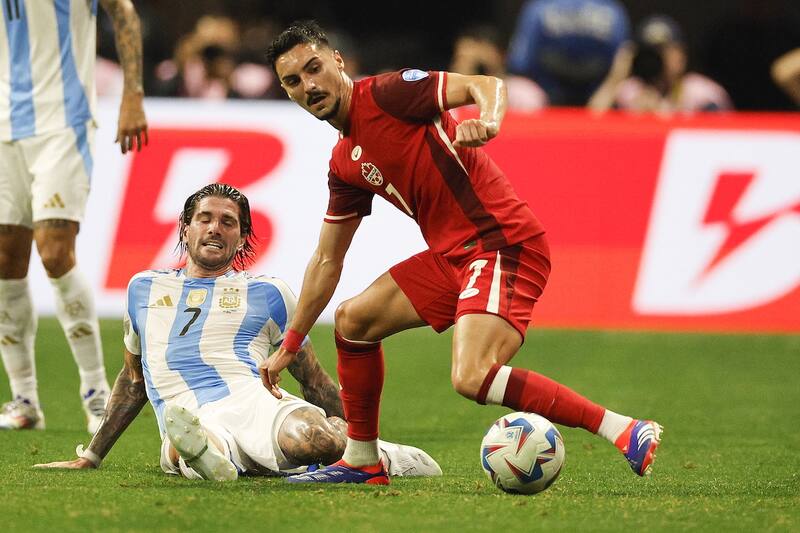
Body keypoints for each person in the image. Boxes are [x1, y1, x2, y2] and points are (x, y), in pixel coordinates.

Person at [262, 20, 662, 485]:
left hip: (501, 242)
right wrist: (290, 346)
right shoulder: (344, 161)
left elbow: (484, 84)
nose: (308, 85)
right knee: (353, 322)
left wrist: (488, 121)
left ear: (337, 62)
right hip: (454, 256)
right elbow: (327, 261)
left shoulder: (389, 94)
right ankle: (362, 460)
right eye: (293, 81)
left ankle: (625, 429)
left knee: (471, 376)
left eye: (313, 68)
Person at [34, 184, 441, 481]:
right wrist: (92, 455)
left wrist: (361, 441)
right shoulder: (143, 287)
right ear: (185, 230)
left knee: (314, 438)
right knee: (187, 445)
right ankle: (209, 457)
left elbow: (313, 380)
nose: (215, 228)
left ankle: (377, 454)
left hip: (255, 400)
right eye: (205, 219)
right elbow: (134, 380)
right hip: (187, 412)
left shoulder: (269, 293)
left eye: (228, 222)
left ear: (242, 237)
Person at [0, 0, 149, 434]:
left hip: (63, 124)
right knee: (6, 262)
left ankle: (96, 393)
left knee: (54, 252)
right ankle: (24, 400)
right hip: (5, 124)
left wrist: (132, 95)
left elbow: (123, 13)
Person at [588, 14, 732, 113]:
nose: (659, 58)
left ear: (681, 54)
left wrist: (665, 116)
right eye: (652, 51)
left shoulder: (703, 94)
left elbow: (722, 142)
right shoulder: (628, 93)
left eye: (665, 49)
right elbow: (590, 126)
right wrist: (615, 77)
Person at [506, 0, 631, 106]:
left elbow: (624, 59)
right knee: (519, 93)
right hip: (545, 92)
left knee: (631, 94)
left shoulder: (613, 11)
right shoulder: (538, 8)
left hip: (598, 90)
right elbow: (519, 65)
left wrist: (607, 92)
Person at [450, 25, 548, 112]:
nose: (475, 59)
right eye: (461, 57)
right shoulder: (447, 96)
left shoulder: (524, 91)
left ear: (501, 54)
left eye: (484, 53)